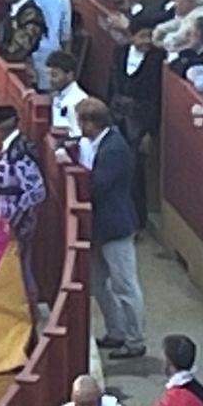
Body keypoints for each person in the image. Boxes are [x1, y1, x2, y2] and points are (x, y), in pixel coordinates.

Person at [76, 97, 145, 358]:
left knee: (125, 285)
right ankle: (117, 332)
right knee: (98, 284)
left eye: (82, 122)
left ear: (91, 123)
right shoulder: (103, 143)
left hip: (115, 226)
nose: (79, 127)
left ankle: (135, 340)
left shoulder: (113, 148)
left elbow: (97, 186)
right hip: (102, 227)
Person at [0, 104, 48, 309]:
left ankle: (27, 310)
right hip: (11, 219)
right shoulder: (13, 149)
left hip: (18, 222)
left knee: (21, 265)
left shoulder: (18, 153)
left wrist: (16, 220)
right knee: (18, 264)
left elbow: (36, 191)